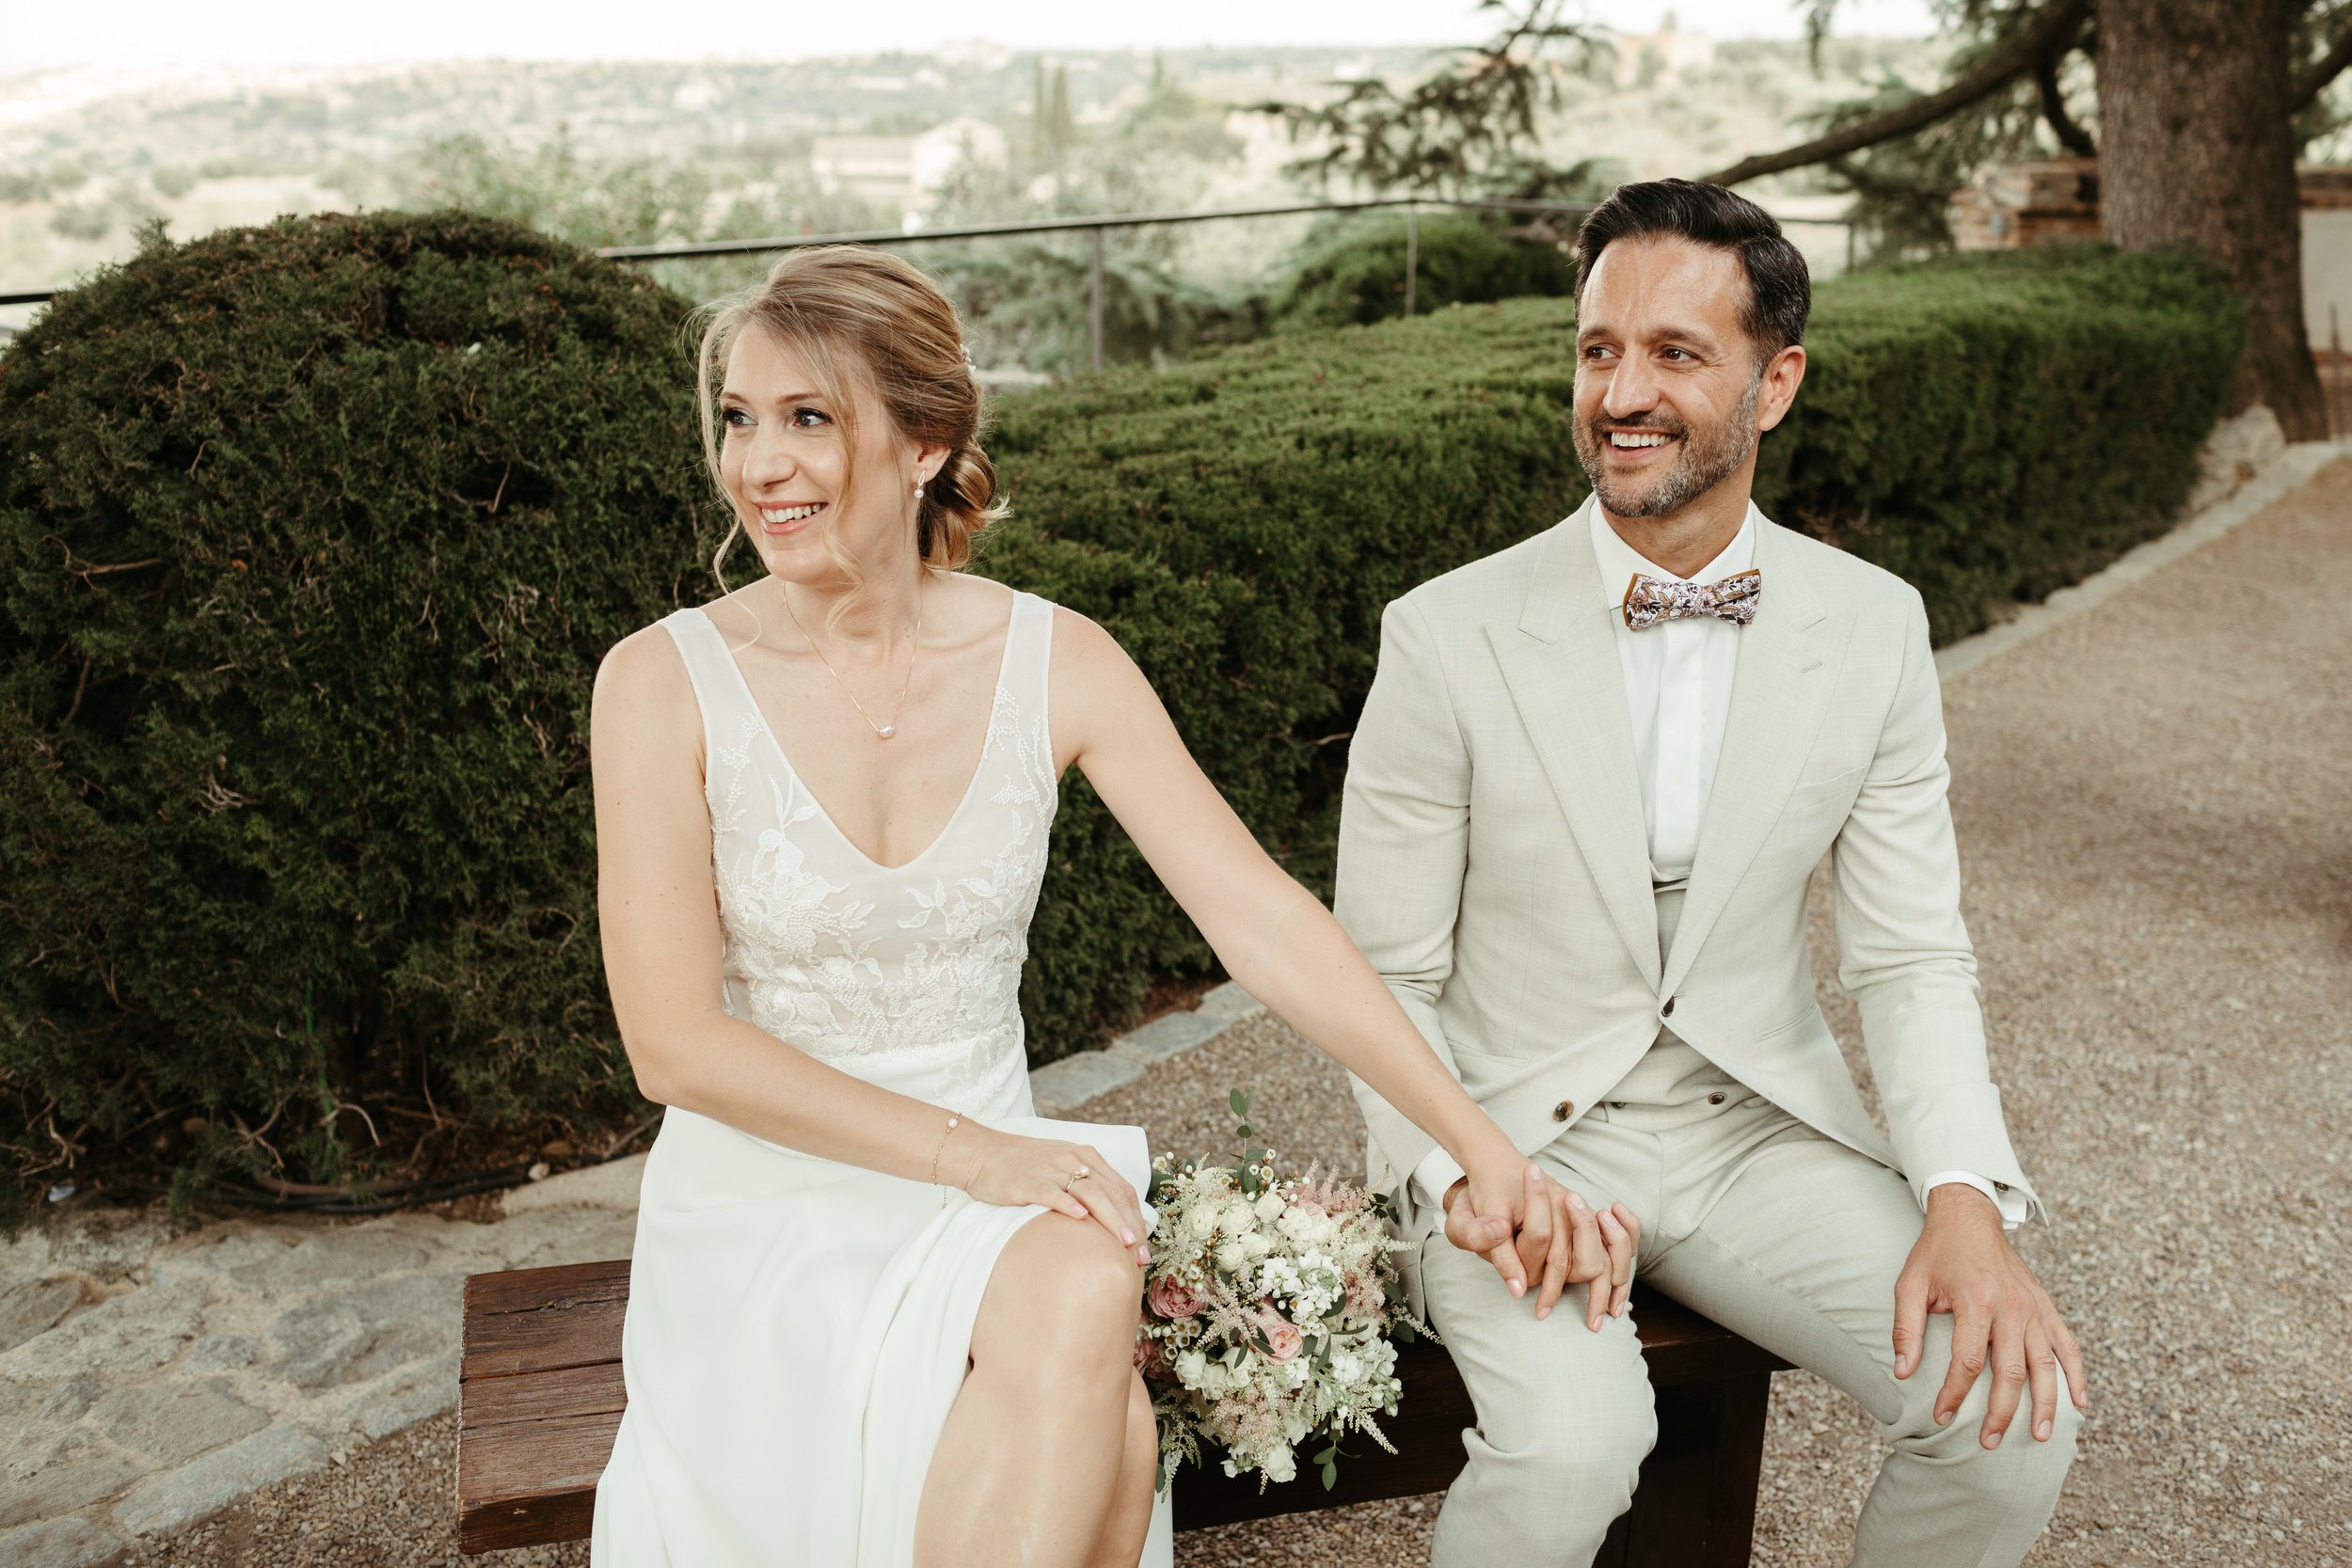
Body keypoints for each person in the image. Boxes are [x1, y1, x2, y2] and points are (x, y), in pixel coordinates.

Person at [584, 246, 1633, 1568]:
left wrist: (1483, 1149)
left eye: (808, 418)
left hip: (993, 1188)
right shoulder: (660, 681)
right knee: (1116, 1428)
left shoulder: (1055, 658)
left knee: (1086, 1274)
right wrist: (979, 1157)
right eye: (740, 419)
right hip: (770, 1194)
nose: (759, 464)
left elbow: (1265, 922)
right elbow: (674, 1045)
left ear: (924, 446)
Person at [1336, 179, 2089, 1568]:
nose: (1622, 394)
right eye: (1599, 350)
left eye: (1675, 353)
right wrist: (1463, 1172)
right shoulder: (1443, 635)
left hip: (1756, 1132)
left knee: (2010, 1420)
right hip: (1514, 1136)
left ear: (1774, 383)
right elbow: (1379, 974)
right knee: (1573, 1446)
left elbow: (1911, 955)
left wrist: (1964, 1198)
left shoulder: (1873, 627)